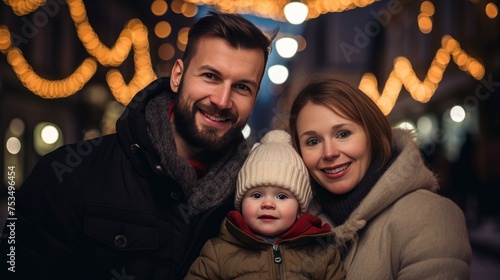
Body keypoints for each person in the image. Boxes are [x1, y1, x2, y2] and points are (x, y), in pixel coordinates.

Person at [0, 11, 276, 280]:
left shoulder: (258, 199)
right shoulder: (69, 175)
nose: (222, 100)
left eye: (242, 87)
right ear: (178, 76)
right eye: (211, 77)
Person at [287, 76, 472, 279]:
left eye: (343, 134)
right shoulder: (297, 226)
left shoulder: (431, 216)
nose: (329, 153)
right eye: (313, 141)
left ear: (371, 136)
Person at [185, 130, 346, 279]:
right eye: (256, 195)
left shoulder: (322, 253)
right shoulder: (218, 252)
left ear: (299, 209)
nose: (268, 203)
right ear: (240, 203)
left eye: (282, 196)